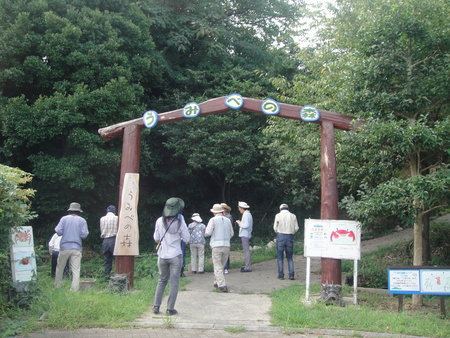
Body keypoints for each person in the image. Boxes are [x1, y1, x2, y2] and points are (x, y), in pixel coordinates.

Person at [152, 197, 190, 316]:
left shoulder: (159, 220)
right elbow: (187, 238)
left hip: (162, 255)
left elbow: (156, 238)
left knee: (162, 280)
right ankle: (170, 308)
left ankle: (156, 306)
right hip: (175, 255)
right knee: (174, 282)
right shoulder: (180, 221)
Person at [54, 202, 89, 291]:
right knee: (76, 270)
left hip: (64, 247)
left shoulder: (64, 219)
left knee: (60, 267)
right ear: (79, 211)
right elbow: (84, 235)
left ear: (70, 210)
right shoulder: (82, 220)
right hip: (77, 248)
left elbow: (58, 231)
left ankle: (57, 286)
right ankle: (74, 289)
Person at [205, 204, 234, 292]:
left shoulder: (212, 220)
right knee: (221, 265)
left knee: (217, 265)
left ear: (214, 212)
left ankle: (222, 285)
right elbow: (231, 233)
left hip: (216, 245)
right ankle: (216, 281)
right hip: (226, 245)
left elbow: (208, 232)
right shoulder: (228, 220)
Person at [273, 203, 299, 280]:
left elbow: (275, 228)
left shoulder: (278, 215)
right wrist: (292, 232)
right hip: (289, 236)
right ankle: (291, 274)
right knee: (290, 257)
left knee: (280, 257)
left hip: (280, 236)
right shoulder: (293, 216)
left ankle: (281, 275)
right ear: (288, 209)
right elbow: (296, 227)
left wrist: (278, 231)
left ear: (280, 209)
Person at [99, 205, 118, 279]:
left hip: (105, 241)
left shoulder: (102, 219)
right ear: (115, 212)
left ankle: (107, 276)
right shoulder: (117, 218)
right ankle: (117, 277)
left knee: (107, 260)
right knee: (116, 259)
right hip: (114, 240)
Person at [236, 201, 253, 272]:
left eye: (239, 208)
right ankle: (247, 266)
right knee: (246, 250)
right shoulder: (248, 214)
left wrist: (240, 223)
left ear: (242, 208)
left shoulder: (246, 215)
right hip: (247, 234)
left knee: (246, 251)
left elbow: (246, 225)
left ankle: (248, 267)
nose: (239, 209)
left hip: (245, 234)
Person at [221, 203, 233, 274]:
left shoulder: (229, 216)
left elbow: (229, 226)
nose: (222, 209)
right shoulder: (218, 216)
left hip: (226, 235)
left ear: (226, 209)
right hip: (220, 235)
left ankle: (226, 267)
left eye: (223, 208)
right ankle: (222, 267)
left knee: (226, 252)